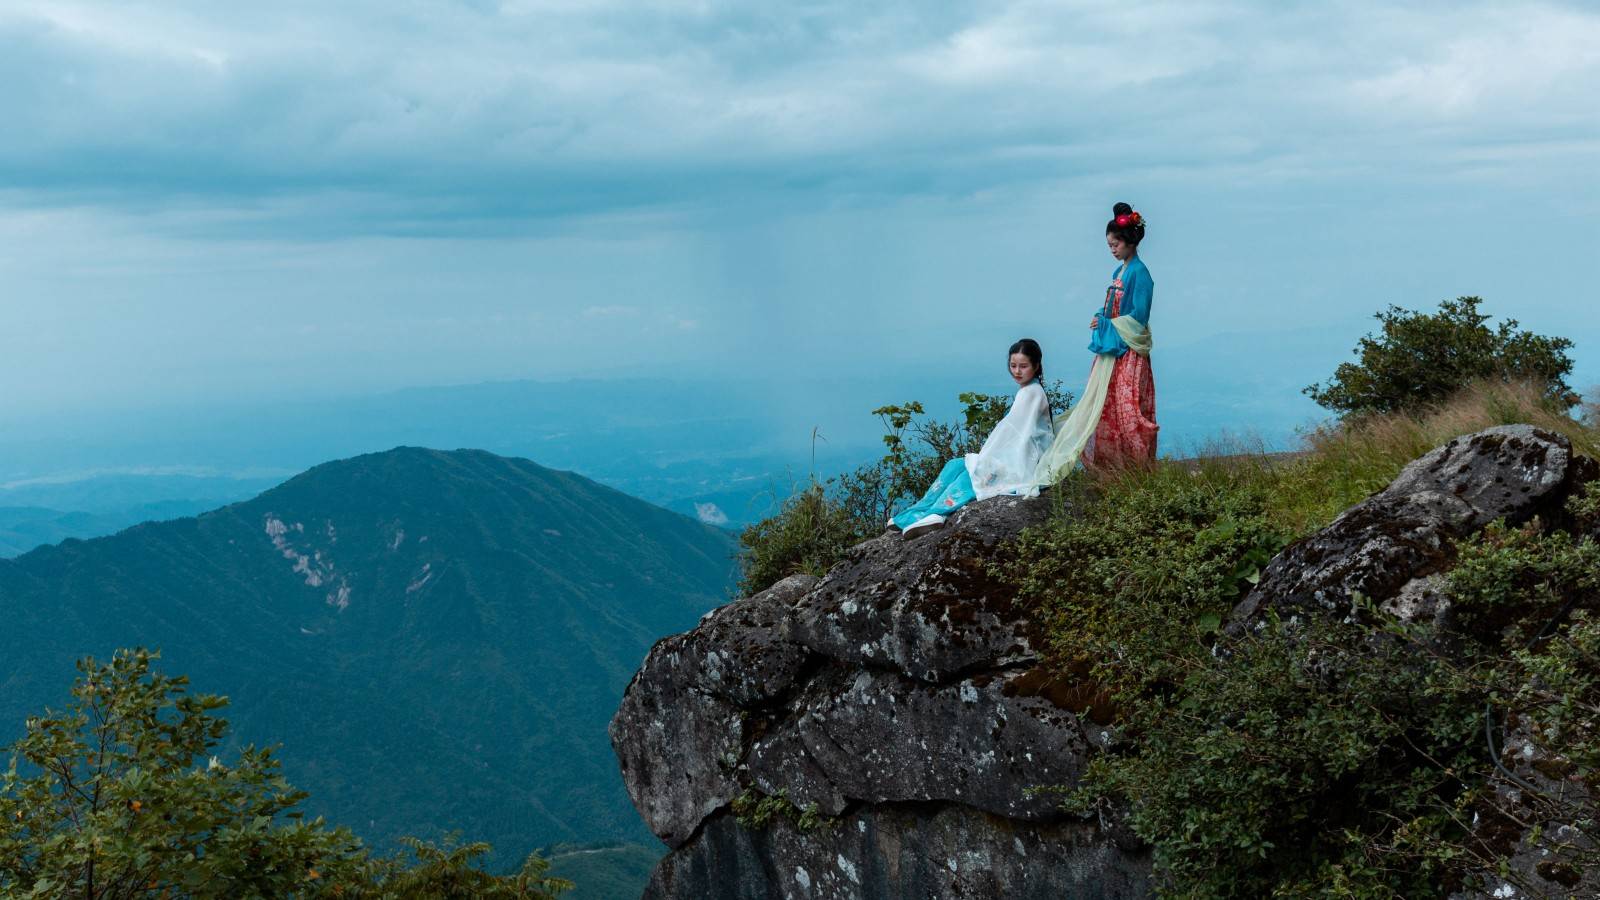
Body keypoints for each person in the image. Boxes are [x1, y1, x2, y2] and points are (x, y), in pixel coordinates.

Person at [1034, 202, 1157, 484]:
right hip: (1112, 349)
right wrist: (1100, 317)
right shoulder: (1119, 273)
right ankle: (1113, 470)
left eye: (1115, 244)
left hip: (1128, 352)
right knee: (1107, 408)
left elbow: (1139, 316)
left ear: (1129, 242)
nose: (1112, 249)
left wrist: (1107, 323)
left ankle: (1137, 470)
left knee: (1129, 411)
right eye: (1110, 245)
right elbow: (1112, 308)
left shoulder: (1140, 273)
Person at [890, 339, 1055, 537]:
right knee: (956, 465)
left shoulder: (1032, 393)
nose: (1017, 371)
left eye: (1023, 366)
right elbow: (1012, 431)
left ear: (1036, 366)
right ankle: (916, 514)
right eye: (1013, 366)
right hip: (1016, 454)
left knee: (972, 474)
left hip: (1024, 461)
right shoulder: (1029, 390)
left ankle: (938, 513)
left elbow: (1015, 432)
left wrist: (989, 457)